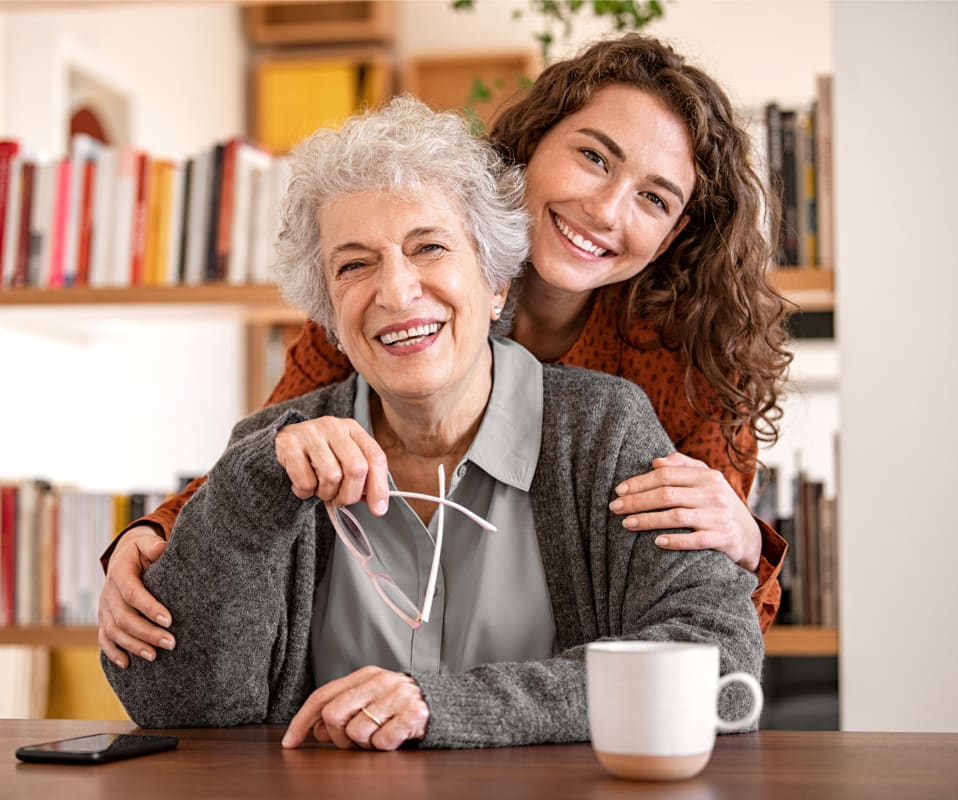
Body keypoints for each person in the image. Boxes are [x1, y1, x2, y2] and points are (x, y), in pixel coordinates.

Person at [98, 33, 791, 671]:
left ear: (672, 235)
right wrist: (158, 533)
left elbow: (707, 632)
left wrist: (750, 544)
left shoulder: (695, 360)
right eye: (592, 157)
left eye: (653, 198)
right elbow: (278, 451)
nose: (608, 210)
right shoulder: (390, 301)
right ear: (530, 146)